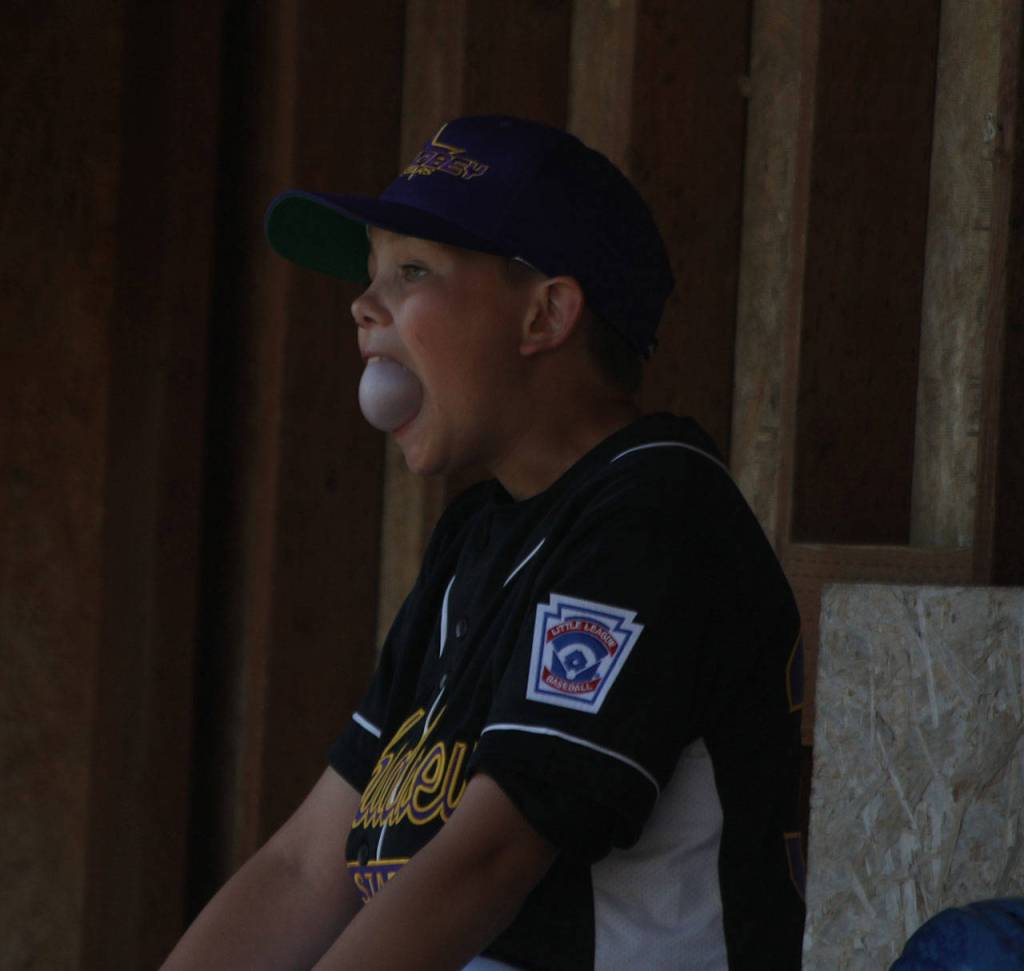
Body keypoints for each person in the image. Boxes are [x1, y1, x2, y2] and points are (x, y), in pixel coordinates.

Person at [161, 115, 805, 970]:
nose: (362, 305)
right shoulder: (479, 534)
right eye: (370, 273)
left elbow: (490, 861)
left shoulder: (655, 509)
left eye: (413, 270)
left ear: (545, 315)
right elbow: (305, 864)